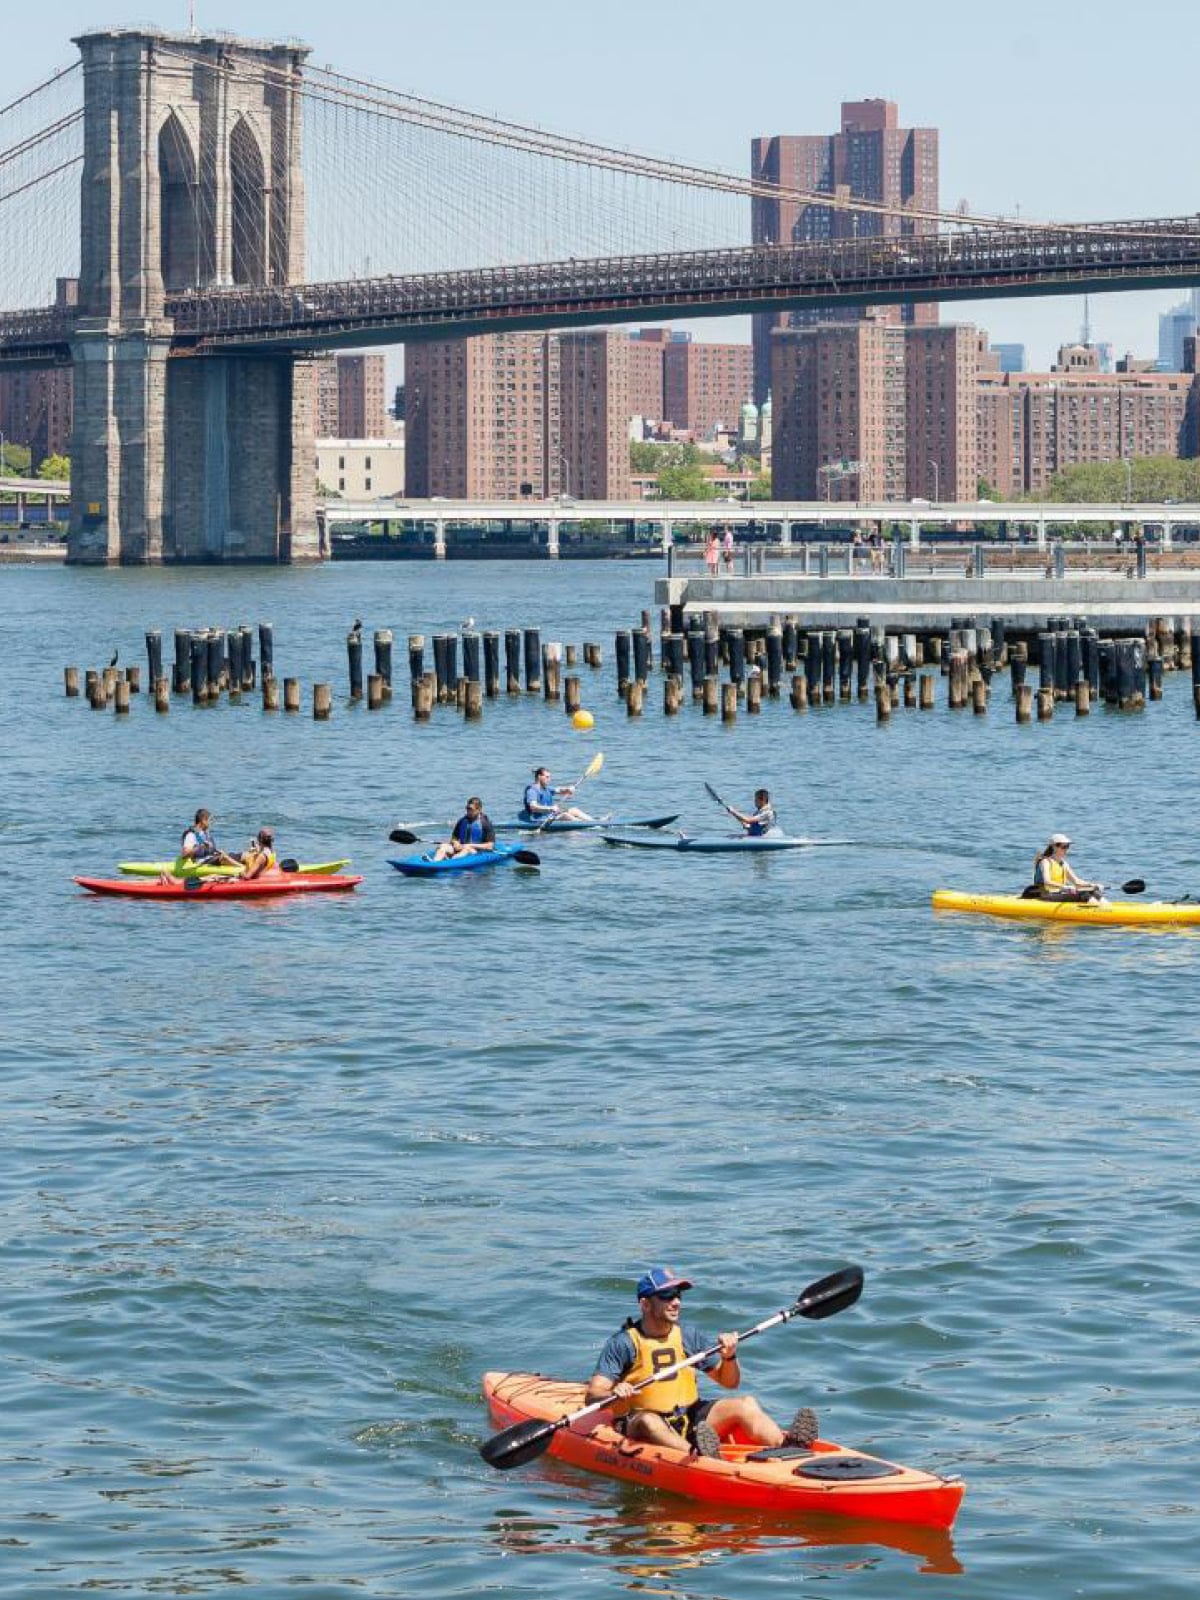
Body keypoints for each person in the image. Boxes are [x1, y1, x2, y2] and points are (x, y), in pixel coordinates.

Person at [584, 1266, 817, 1460]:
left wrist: (729, 1356)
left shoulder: (688, 1336)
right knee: (648, 1420)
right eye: (666, 1296)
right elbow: (593, 1394)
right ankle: (700, 1456)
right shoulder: (624, 1343)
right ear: (645, 1304)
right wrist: (614, 1390)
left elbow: (729, 1382)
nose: (676, 1302)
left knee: (745, 1403)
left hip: (689, 1415)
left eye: (678, 1295)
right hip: (640, 1422)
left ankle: (788, 1446)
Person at [1029, 833, 1104, 902]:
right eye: (1063, 847)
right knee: (1083, 894)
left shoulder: (1064, 863)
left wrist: (1092, 885)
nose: (1066, 849)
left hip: (1058, 893)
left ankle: (1106, 909)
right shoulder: (1045, 862)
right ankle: (1098, 910)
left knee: (1094, 892)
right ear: (1054, 847)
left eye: (1067, 846)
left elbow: (1076, 882)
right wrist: (1064, 887)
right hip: (1045, 895)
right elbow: (1047, 882)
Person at [520, 767, 591, 825]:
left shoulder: (546, 788)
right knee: (565, 815)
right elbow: (533, 807)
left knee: (574, 810)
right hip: (540, 819)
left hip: (551, 816)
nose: (549, 779)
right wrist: (550, 808)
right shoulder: (532, 791)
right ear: (539, 777)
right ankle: (585, 825)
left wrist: (568, 789)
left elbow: (560, 790)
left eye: (549, 777)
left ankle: (594, 822)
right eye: (547, 777)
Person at [433, 797, 496, 861]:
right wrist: (456, 843)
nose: (468, 811)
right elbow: (454, 837)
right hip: (461, 848)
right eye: (467, 808)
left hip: (476, 851)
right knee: (442, 846)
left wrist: (470, 845)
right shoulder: (462, 821)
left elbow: (490, 846)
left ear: (479, 809)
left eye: (471, 809)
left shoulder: (486, 823)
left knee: (467, 849)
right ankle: (434, 863)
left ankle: (451, 861)